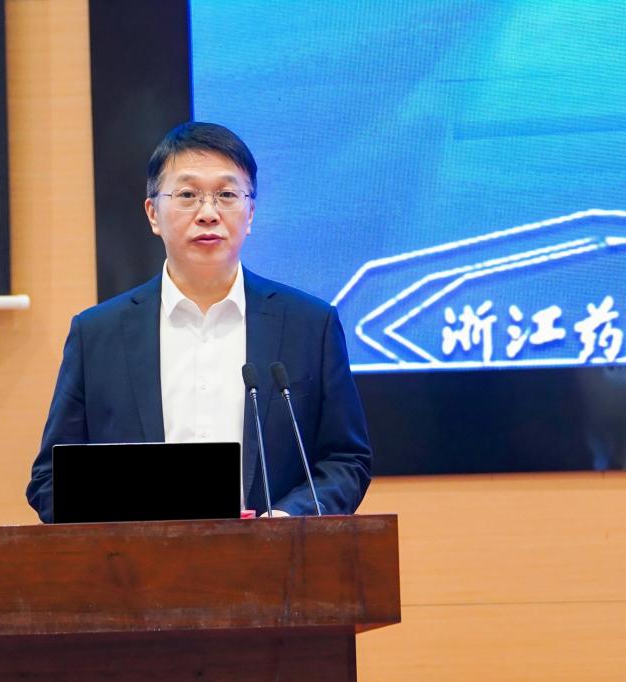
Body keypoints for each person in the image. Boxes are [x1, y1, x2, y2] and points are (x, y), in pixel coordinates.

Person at [26, 122, 372, 522]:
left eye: (226, 195)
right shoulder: (97, 334)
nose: (208, 214)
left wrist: (285, 520)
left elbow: (346, 461)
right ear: (153, 213)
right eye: (188, 195)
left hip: (271, 555)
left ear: (250, 213)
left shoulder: (310, 326)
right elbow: (49, 481)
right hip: (140, 558)